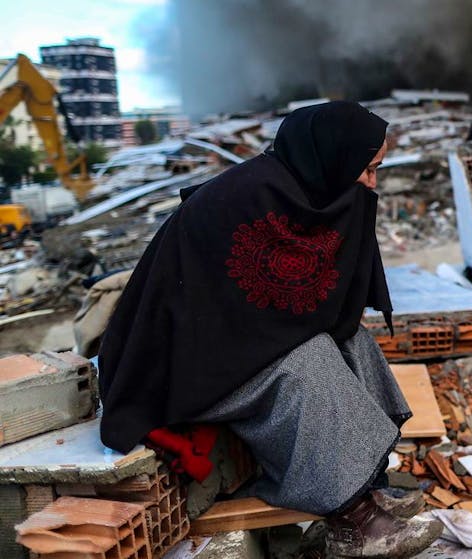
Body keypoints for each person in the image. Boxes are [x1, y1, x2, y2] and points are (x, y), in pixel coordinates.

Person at [97, 102, 443, 558]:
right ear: (333, 155)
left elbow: (323, 304)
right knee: (308, 363)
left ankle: (364, 485)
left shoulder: (303, 191)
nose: (371, 184)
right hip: (182, 366)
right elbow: (233, 313)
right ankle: (353, 523)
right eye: (369, 169)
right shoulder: (243, 201)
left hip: (235, 339)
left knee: (350, 341)